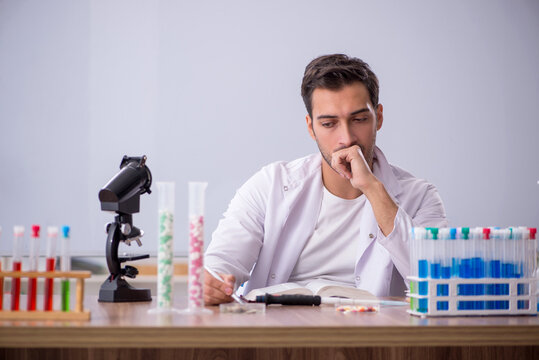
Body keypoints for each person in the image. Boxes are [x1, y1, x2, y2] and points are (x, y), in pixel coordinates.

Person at [203, 54, 447, 305]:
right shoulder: (270, 184)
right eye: (329, 123)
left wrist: (373, 189)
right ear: (311, 128)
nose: (346, 138)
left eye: (360, 119)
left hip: (374, 336)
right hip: (279, 334)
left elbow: (437, 284)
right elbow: (221, 265)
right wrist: (212, 283)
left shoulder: (420, 197)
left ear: (379, 118)